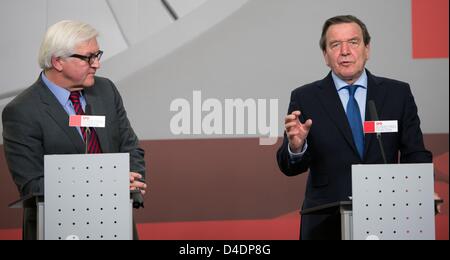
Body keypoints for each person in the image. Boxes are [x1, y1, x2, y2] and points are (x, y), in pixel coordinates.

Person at [276, 15, 433, 240]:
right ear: (325, 56)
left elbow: (415, 152)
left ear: (367, 49)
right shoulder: (305, 98)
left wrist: (422, 191)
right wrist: (296, 147)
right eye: (335, 45)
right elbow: (288, 166)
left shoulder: (397, 94)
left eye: (353, 42)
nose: (345, 51)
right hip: (325, 222)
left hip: (388, 218)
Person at [2, 20, 147, 240]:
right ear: (57, 61)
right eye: (88, 57)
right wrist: (110, 180)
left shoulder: (106, 90)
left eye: (97, 55)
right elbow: (32, 184)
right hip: (57, 228)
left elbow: (130, 146)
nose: (96, 64)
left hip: (115, 223)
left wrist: (132, 183)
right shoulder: (22, 111)